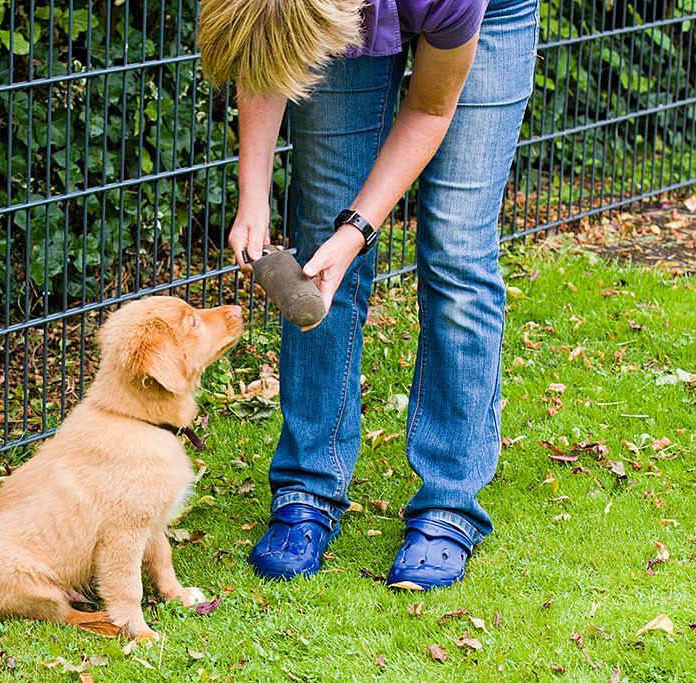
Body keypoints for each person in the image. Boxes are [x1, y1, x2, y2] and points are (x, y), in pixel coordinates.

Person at [197, 0, 538, 590]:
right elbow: (267, 49)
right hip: (338, 13)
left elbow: (431, 108)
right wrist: (252, 194)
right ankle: (308, 488)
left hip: (484, 14)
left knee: (457, 247)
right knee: (318, 239)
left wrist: (357, 229)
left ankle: (449, 502)